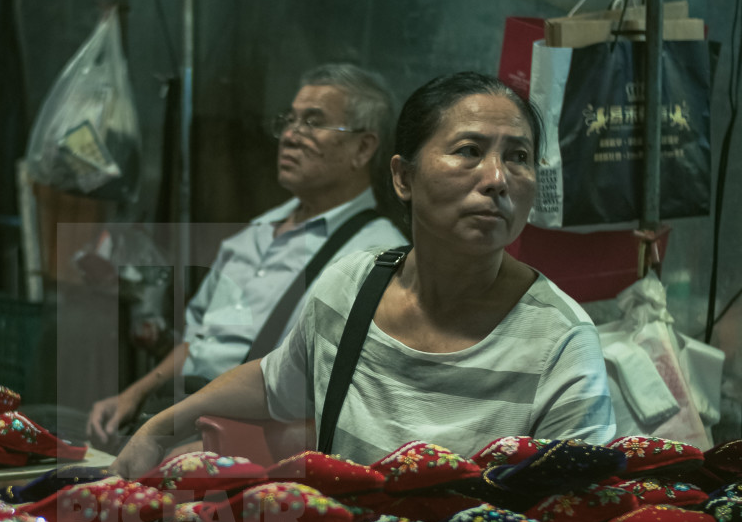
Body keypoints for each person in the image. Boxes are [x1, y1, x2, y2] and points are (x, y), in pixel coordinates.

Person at [111, 70, 617, 479]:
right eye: (468, 151)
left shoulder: (560, 342)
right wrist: (158, 426)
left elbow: (575, 511)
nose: (497, 179)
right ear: (403, 177)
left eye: (519, 157)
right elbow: (274, 382)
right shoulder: (352, 286)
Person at [86, 63, 409, 450]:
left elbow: (335, 396)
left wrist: (227, 444)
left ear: (363, 147)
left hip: (247, 439)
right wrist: (133, 395)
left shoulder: (375, 257)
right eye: (289, 120)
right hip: (178, 411)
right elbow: (198, 338)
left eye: (313, 122)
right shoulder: (253, 234)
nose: (290, 135)